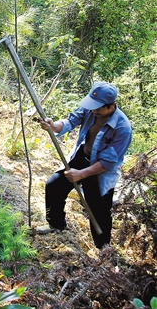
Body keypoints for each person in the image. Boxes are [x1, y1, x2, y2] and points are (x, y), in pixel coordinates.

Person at [36, 81, 132, 249]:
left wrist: (81, 174)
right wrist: (53, 126)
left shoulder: (123, 128)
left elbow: (108, 162)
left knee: (99, 211)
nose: (93, 110)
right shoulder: (91, 108)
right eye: (92, 106)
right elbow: (71, 121)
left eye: (98, 108)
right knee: (54, 185)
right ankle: (56, 224)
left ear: (111, 106)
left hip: (101, 169)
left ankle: (103, 250)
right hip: (81, 157)